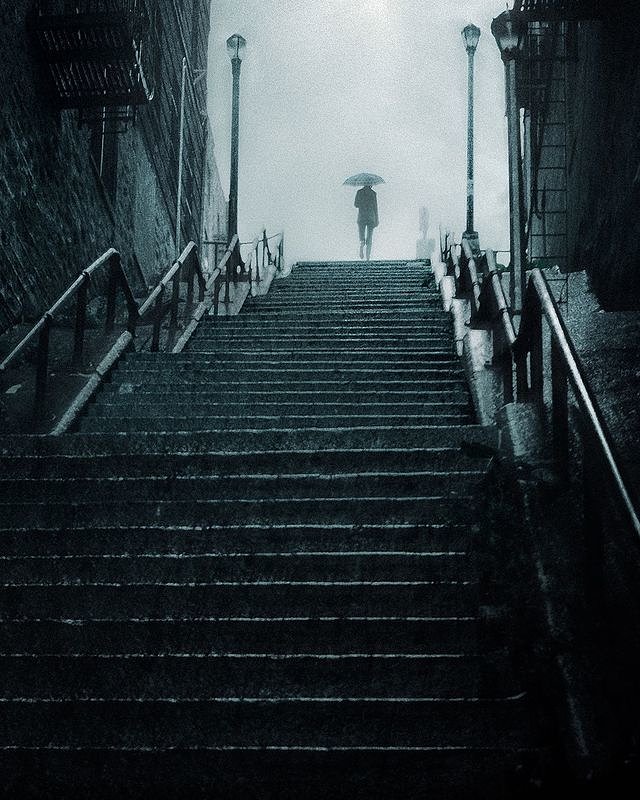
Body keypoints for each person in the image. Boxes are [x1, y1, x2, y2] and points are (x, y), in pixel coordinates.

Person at [354, 184, 379, 261]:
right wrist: (377, 219)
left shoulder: (359, 192)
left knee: (362, 234)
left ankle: (362, 243)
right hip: (371, 217)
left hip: (362, 217)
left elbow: (355, 204)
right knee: (370, 236)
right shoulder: (373, 193)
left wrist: (362, 202)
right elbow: (375, 207)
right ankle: (368, 256)